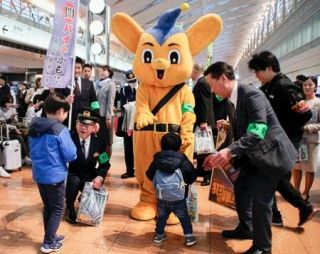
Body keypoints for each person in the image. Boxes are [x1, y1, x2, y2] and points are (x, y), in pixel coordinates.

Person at [203, 61, 298, 254]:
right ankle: (246, 227)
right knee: (241, 187)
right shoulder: (235, 98)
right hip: (254, 155)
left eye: (212, 85)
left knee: (262, 201)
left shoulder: (251, 94)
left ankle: (263, 247)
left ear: (223, 78)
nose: (212, 91)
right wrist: (229, 153)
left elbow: (258, 130)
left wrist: (230, 151)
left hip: (270, 155)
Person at [248, 51, 316, 227]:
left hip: (286, 142)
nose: (256, 75)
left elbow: (305, 114)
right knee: (272, 175)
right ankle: (276, 215)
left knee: (276, 177)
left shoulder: (286, 87)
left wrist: (284, 131)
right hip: (273, 141)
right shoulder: (268, 86)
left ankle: (303, 206)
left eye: (258, 71)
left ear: (269, 68)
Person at [28, 93, 77, 253]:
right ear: (61, 111)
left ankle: (51, 236)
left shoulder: (34, 126)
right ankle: (48, 243)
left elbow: (30, 151)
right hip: (55, 176)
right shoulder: (60, 129)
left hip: (39, 175)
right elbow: (70, 154)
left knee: (48, 207)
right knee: (57, 209)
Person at [146, 132, 197, 247]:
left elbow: (149, 174)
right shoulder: (183, 160)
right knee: (184, 218)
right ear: (179, 146)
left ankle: (159, 235)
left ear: (162, 145)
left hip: (162, 196)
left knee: (161, 217)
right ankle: (189, 237)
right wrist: (185, 183)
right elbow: (192, 176)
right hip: (179, 197)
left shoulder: (157, 159)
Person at [65, 108, 111, 224]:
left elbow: (104, 164)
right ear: (76, 124)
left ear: (94, 127)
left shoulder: (99, 143)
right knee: (73, 182)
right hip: (72, 174)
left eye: (88, 125)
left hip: (89, 175)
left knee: (100, 190)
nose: (83, 128)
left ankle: (84, 198)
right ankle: (69, 207)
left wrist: (99, 177)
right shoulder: (69, 138)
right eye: (81, 124)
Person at [293, 76, 320, 201]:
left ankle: (305, 192)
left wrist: (309, 127)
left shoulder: (318, 103)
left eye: (310, 85)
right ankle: (296, 190)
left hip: (311, 140)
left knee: (310, 167)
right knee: (296, 166)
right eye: (305, 85)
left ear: (315, 86)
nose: (307, 87)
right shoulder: (300, 103)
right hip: (299, 139)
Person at [58, 57, 98, 131]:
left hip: (85, 119)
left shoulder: (89, 83)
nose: (76, 70)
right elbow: (57, 100)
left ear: (82, 68)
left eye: (78, 68)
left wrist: (96, 119)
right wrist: (65, 100)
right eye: (74, 68)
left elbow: (94, 102)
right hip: (68, 120)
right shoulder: (63, 83)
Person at [191, 63, 214, 186]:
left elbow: (204, 103)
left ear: (195, 70)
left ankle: (207, 175)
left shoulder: (202, 83)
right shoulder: (201, 82)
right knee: (201, 148)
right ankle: (200, 169)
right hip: (201, 121)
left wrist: (203, 121)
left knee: (205, 149)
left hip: (203, 122)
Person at [117, 70, 137, 179]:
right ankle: (129, 170)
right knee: (128, 147)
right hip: (127, 120)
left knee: (139, 148)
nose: (132, 83)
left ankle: (139, 170)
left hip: (138, 121)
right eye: (130, 81)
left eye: (133, 80)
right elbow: (121, 105)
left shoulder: (142, 89)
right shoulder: (123, 90)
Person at [96, 65, 116, 158]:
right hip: (96, 116)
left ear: (109, 73)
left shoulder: (111, 84)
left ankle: (105, 164)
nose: (102, 71)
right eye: (101, 70)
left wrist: (108, 118)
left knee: (107, 142)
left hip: (105, 117)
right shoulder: (96, 83)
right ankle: (98, 162)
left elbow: (110, 102)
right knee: (98, 141)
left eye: (105, 70)